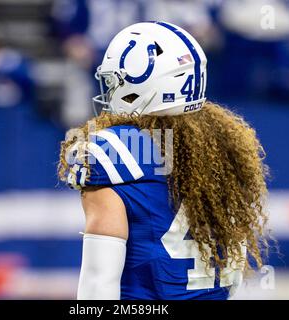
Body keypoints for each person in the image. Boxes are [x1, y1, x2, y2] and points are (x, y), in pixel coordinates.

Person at [58, 21, 269, 300]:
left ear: (139, 85)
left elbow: (99, 284)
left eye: (113, 82)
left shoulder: (111, 152)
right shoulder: (224, 147)